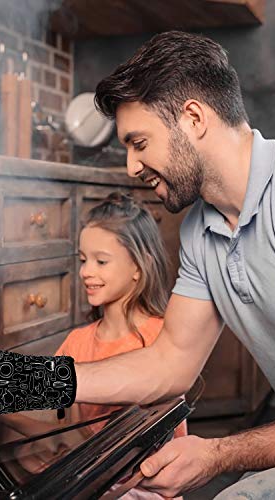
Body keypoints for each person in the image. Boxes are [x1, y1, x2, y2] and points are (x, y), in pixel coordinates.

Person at [0, 30, 275, 499]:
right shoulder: (199, 229)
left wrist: (217, 454)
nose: (131, 166)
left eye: (139, 142)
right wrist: (28, 381)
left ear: (193, 118)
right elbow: (170, 361)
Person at [55, 191, 187, 500]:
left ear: (138, 267)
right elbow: (71, 439)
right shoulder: (76, 343)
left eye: (101, 261)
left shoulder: (164, 340)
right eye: (83, 260)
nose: (87, 271)